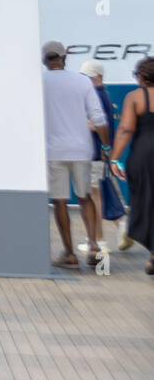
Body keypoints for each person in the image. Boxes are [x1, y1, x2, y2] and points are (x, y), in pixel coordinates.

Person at [42, 41, 108, 270]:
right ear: (64, 58)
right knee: (85, 197)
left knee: (60, 201)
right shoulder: (82, 81)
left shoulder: (39, 82)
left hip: (53, 151)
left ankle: (69, 254)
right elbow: (99, 118)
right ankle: (93, 246)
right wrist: (107, 147)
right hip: (82, 149)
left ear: (44, 60)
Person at [109, 56, 154, 275]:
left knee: (144, 201)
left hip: (144, 155)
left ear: (142, 76)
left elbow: (126, 129)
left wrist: (114, 158)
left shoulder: (135, 97)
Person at [79, 60, 120, 252]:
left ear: (97, 76)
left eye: (87, 76)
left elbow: (98, 124)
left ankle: (98, 240)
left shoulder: (96, 95)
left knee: (93, 195)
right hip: (98, 151)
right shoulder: (103, 94)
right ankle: (96, 239)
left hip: (94, 151)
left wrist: (81, 124)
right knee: (96, 194)